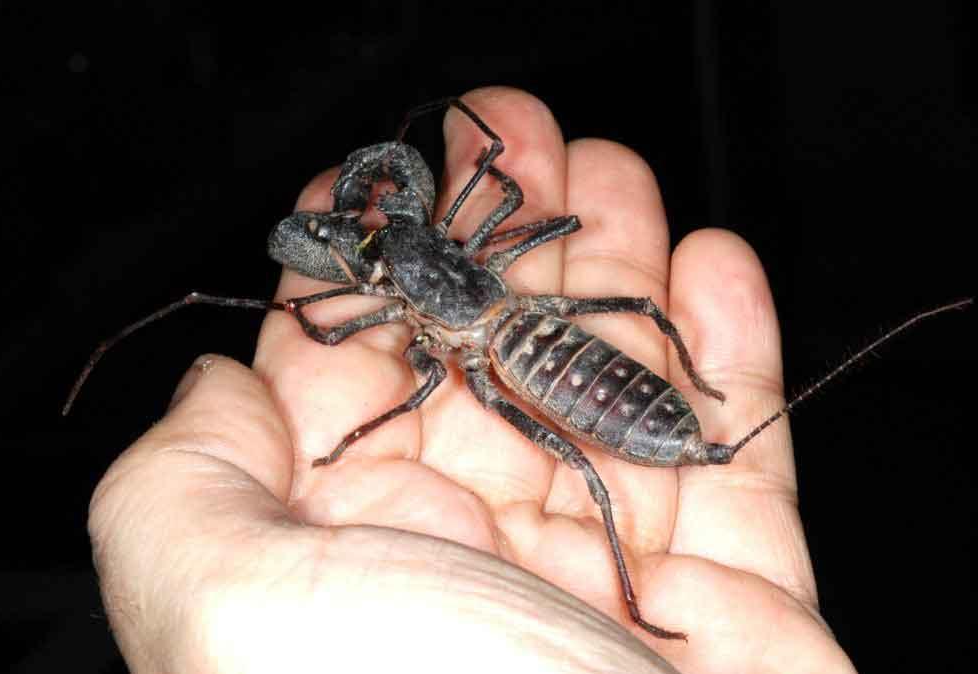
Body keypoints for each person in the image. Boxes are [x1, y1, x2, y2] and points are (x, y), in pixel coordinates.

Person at [88, 87, 856, 673]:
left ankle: (639, 591)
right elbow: (507, 198)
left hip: (515, 351)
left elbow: (356, 344)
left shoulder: (399, 292)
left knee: (590, 458)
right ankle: (647, 553)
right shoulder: (461, 244)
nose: (387, 220)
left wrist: (349, 422)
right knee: (633, 327)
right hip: (526, 331)